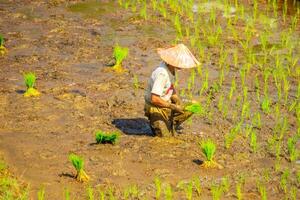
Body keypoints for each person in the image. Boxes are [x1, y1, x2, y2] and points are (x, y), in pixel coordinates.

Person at [144, 44, 200, 137]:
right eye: (179, 62)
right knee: (165, 139)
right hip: (156, 107)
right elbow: (154, 99)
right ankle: (161, 124)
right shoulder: (162, 74)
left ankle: (171, 123)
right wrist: (172, 106)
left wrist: (176, 98)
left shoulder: (171, 69)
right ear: (171, 61)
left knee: (193, 105)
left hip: (166, 103)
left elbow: (170, 86)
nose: (181, 65)